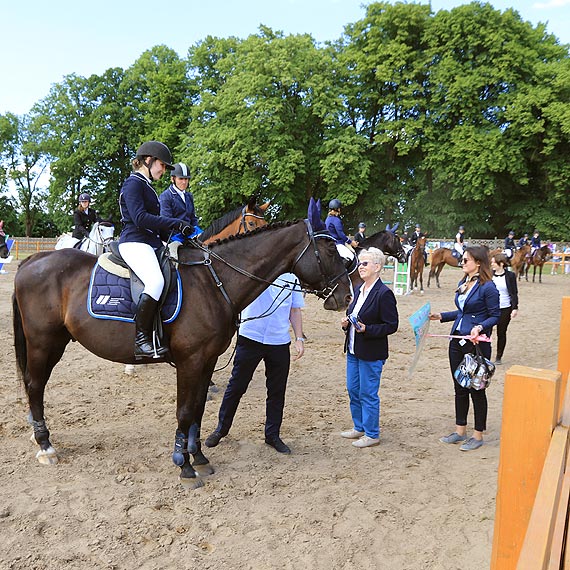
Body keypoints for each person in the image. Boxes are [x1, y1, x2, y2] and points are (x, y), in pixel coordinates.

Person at [204, 273, 305, 454]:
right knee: (236, 386)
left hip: (279, 340)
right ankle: (222, 428)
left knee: (277, 391)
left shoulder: (293, 279)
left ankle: (272, 434)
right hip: (251, 337)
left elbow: (295, 310)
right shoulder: (259, 270)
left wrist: (299, 338)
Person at [118, 141, 195, 359]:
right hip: (134, 242)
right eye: (162, 164)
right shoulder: (133, 184)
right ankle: (141, 340)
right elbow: (140, 218)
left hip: (150, 242)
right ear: (148, 160)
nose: (163, 169)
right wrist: (173, 222)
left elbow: (155, 226)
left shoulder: (147, 186)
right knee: (156, 282)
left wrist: (181, 234)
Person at [429, 245, 500, 451]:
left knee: (476, 389)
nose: (462, 262)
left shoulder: (488, 287)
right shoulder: (464, 282)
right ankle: (460, 430)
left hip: (476, 344)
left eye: (466, 260)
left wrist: (479, 327)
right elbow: (463, 312)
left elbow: (494, 316)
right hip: (456, 340)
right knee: (459, 387)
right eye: (462, 259)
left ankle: (478, 435)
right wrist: (441, 316)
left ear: (478, 263)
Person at [339, 247, 399, 448]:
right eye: (360, 263)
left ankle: (372, 434)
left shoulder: (384, 294)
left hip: (371, 353)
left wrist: (368, 329)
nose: (360, 267)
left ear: (377, 266)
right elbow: (353, 314)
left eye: (364, 263)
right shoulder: (358, 290)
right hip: (354, 349)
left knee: (367, 393)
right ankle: (359, 426)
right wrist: (347, 322)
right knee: (353, 389)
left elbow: (392, 325)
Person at [490, 253, 518, 365]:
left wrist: (515, 307)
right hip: (491, 308)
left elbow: (514, 293)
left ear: (501, 264)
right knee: (486, 331)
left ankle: (498, 356)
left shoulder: (510, 276)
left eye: (493, 262)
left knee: (501, 332)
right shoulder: (489, 275)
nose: (491, 264)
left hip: (505, 308)